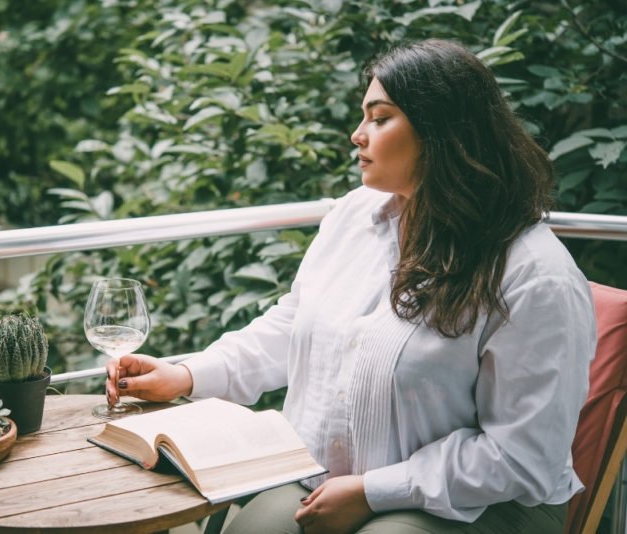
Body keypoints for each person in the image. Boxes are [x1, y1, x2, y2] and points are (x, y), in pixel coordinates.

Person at [105, 39, 597, 534]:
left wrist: (373, 492)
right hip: (326, 475)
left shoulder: (535, 275)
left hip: (484, 500)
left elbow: (521, 455)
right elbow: (294, 322)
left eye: (380, 118)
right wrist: (188, 373)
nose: (358, 135)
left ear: (444, 132)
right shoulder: (353, 215)